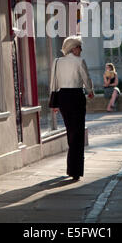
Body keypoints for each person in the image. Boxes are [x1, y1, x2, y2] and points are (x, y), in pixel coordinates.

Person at [50, 35, 94, 181]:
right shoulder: (80, 61)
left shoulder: (57, 62)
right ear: (73, 48)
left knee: (71, 132)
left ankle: (71, 168)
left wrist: (54, 103)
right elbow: (86, 78)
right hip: (76, 96)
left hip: (63, 97)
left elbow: (54, 82)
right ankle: (75, 170)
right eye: (79, 46)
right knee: (78, 132)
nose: (81, 49)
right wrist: (90, 91)